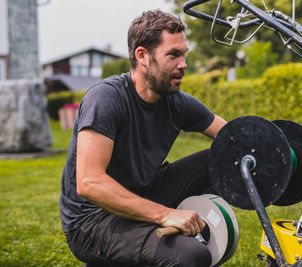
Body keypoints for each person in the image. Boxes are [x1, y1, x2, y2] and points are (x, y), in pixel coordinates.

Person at [59, 10, 227, 267]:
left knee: (220, 158)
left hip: (142, 195)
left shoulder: (176, 102)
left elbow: (232, 137)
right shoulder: (105, 99)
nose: (184, 64)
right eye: (173, 55)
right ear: (142, 56)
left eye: (184, 55)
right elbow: (89, 183)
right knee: (192, 257)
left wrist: (279, 149)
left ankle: (172, 236)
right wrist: (165, 215)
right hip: (91, 222)